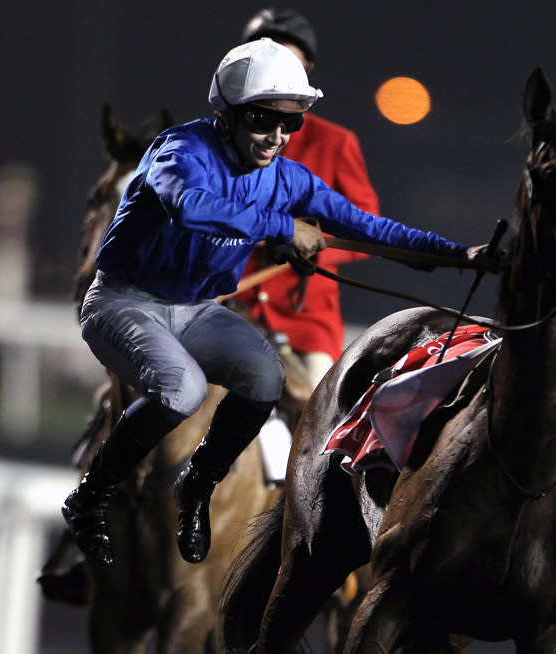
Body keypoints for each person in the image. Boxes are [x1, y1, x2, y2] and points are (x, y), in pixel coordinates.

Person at [61, 37, 492, 568]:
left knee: (267, 380)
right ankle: (89, 498)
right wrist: (282, 225)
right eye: (265, 119)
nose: (279, 136)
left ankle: (196, 484)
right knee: (182, 389)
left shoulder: (287, 178)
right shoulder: (180, 150)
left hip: (197, 309)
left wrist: (458, 255)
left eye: (293, 124)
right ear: (229, 115)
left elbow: (367, 227)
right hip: (123, 302)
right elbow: (189, 206)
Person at [236, 8, 378, 387]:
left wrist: (313, 247)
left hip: (302, 322)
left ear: (307, 70)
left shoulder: (336, 143)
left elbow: (364, 226)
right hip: (226, 302)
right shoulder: (219, 135)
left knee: (318, 407)